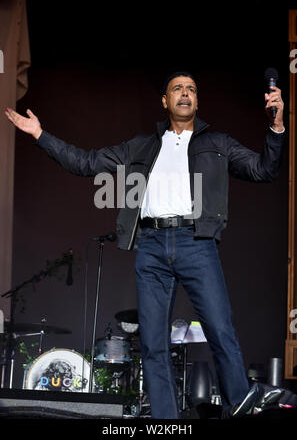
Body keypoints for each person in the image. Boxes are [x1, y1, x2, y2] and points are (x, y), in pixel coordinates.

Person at [5, 71, 285, 418]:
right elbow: (87, 162)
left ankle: (240, 401)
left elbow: (263, 170)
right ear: (165, 101)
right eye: (177, 89)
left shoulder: (218, 143)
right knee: (153, 344)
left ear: (197, 102)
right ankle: (165, 422)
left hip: (195, 242)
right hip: (152, 245)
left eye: (192, 89)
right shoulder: (141, 146)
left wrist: (276, 129)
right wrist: (41, 135)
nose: (185, 93)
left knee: (220, 329)